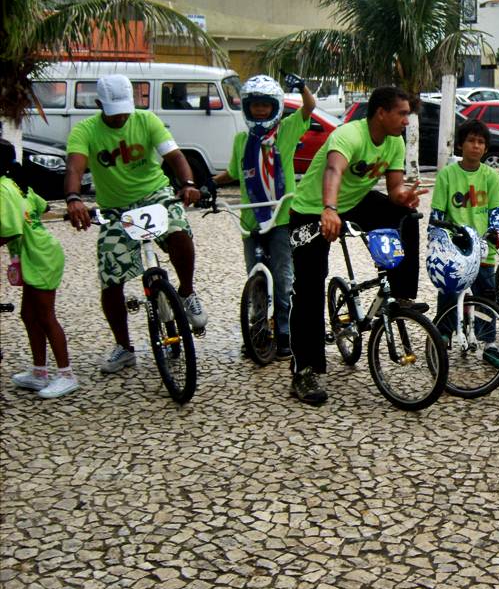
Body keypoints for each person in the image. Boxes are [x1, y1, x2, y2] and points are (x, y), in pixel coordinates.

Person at [287, 85, 427, 405]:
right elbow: (334, 170)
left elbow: (393, 189)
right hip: (313, 208)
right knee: (309, 287)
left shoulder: (394, 141)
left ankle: (400, 294)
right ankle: (305, 371)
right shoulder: (348, 135)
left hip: (354, 203)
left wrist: (402, 197)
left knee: (405, 215)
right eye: (402, 113)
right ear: (381, 113)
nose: (407, 120)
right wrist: (329, 210)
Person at [65, 74, 206, 374]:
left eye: (124, 110)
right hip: (116, 208)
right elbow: (75, 166)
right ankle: (124, 347)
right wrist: (74, 198)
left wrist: (189, 183)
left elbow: (175, 155)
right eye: (114, 111)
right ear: (99, 104)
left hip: (155, 195)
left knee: (180, 231)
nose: (120, 117)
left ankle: (187, 292)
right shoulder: (85, 130)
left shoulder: (146, 120)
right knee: (110, 276)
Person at [211, 73, 314, 360]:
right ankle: (257, 333)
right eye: (254, 105)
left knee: (283, 279)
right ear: (247, 107)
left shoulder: (288, 132)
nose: (259, 110)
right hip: (250, 221)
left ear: (275, 107)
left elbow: (309, 108)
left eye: (265, 105)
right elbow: (232, 172)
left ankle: (284, 333)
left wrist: (302, 87)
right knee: (255, 277)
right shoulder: (241, 140)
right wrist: (210, 183)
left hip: (281, 220)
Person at [1, 140, 77, 398]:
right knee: (29, 315)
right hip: (38, 253)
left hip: (40, 256)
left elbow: (10, 229)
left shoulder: (3, 189)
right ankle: (39, 372)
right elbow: (42, 207)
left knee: (45, 317)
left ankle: (66, 375)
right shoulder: (18, 185)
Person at [429, 119, 499, 362]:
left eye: (481, 142)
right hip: (455, 249)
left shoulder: (491, 177)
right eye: (471, 140)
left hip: (484, 249)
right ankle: (442, 334)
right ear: (461, 145)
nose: (476, 146)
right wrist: (436, 239)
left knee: (486, 296)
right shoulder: (447, 176)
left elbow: (496, 213)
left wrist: (497, 232)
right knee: (449, 292)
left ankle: (489, 343)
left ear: (486, 148)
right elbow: (438, 214)